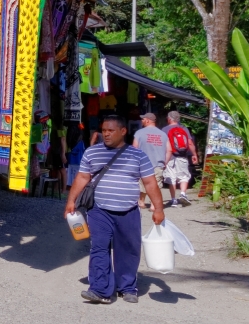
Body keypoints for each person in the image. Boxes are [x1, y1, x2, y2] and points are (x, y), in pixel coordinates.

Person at [65, 115, 165, 304]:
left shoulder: (138, 155)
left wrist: (158, 208)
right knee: (99, 247)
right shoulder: (92, 153)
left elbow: (150, 183)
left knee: (128, 249)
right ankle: (99, 290)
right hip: (99, 210)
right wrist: (71, 201)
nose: (106, 134)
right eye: (104, 130)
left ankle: (127, 287)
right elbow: (82, 177)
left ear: (123, 131)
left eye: (111, 130)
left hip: (128, 211)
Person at [133, 112, 168, 210]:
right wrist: (165, 162)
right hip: (158, 163)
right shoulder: (163, 134)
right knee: (156, 184)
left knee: (142, 183)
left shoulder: (139, 133)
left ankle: (141, 202)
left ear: (148, 120)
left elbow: (135, 148)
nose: (141, 121)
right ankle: (153, 205)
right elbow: (169, 149)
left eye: (143, 119)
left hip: (143, 164)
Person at [163, 110, 198, 207]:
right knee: (184, 176)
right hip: (182, 156)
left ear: (169, 119)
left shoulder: (164, 129)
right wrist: (194, 154)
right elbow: (190, 143)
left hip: (169, 157)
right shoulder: (184, 128)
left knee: (171, 178)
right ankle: (183, 194)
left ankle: (173, 200)